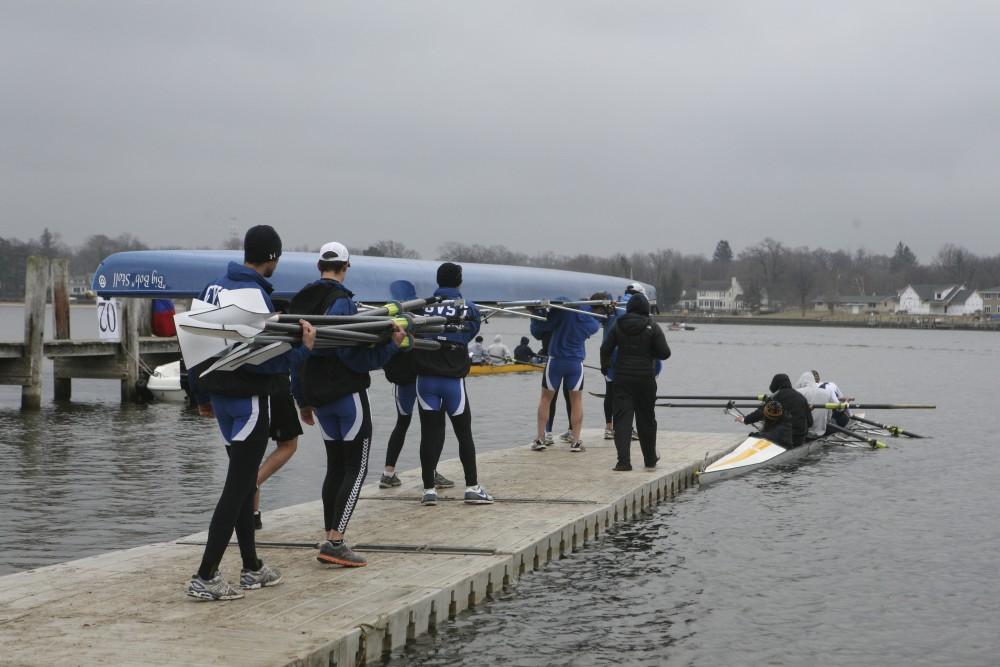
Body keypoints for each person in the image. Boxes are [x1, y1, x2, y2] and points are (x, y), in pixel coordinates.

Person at [186, 225, 316, 601]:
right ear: (272, 257)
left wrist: (200, 395)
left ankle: (252, 567)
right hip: (248, 402)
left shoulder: (213, 287)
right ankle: (205, 575)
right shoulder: (254, 294)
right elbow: (265, 363)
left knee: (243, 485)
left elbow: (194, 345)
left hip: (222, 399)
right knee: (237, 487)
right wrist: (303, 349)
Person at [290, 241, 407, 568]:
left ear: (318, 266)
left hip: (318, 398)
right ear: (345, 267)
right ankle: (336, 541)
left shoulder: (301, 301)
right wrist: (393, 347)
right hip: (346, 396)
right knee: (356, 470)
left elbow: (296, 357)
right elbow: (356, 358)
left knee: (335, 467)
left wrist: (301, 400)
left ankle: (330, 535)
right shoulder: (343, 303)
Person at [413, 262, 493, 506]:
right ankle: (472, 487)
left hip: (425, 381)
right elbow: (470, 332)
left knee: (429, 435)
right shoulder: (468, 307)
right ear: (459, 281)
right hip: (452, 382)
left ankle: (428, 490)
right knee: (463, 434)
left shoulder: (421, 307)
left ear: (438, 281)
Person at [379, 280, 454, 491]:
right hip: (422, 379)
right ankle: (431, 473)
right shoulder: (419, 317)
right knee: (433, 426)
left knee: (402, 424)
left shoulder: (386, 319)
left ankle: (388, 473)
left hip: (400, 381)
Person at [600, 293, 671, 471]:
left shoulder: (618, 324)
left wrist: (605, 367)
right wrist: (650, 353)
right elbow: (665, 353)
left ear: (629, 307)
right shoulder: (652, 327)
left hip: (622, 378)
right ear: (646, 308)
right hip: (645, 379)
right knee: (646, 419)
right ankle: (650, 459)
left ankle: (623, 462)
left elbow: (605, 348)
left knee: (622, 419)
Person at [529, 294, 601, 452]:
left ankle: (541, 438)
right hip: (576, 364)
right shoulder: (587, 317)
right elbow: (595, 326)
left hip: (555, 361)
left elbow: (539, 330)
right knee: (576, 402)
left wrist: (536, 314)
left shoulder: (560, 311)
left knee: (546, 399)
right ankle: (575, 442)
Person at [736, 373, 812, 446]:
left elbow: (760, 413)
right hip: (799, 438)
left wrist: (745, 419)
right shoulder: (801, 397)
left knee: (757, 433)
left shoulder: (774, 397)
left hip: (782, 438)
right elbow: (810, 423)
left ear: (774, 385)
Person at [794, 372, 839, 437]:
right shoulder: (826, 392)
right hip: (821, 431)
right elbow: (830, 414)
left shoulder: (797, 392)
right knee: (834, 421)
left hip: (803, 431)